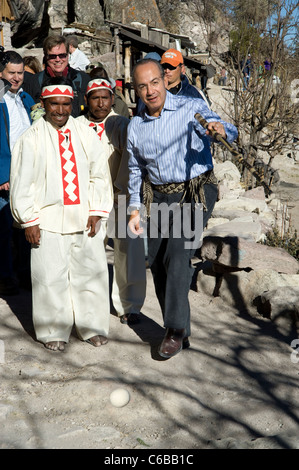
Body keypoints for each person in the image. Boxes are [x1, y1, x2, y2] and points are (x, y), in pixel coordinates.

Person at [127, 59, 238, 359]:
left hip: (195, 190)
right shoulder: (136, 126)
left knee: (178, 252)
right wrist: (134, 210)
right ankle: (181, 329)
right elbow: (136, 169)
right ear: (135, 90)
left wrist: (220, 129)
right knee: (158, 258)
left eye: (154, 82)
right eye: (142, 86)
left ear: (164, 80)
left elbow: (223, 126)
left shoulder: (189, 108)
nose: (150, 91)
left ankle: (174, 330)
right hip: (160, 196)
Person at [10, 77, 113, 352]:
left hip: (85, 218)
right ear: (43, 104)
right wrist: (29, 219)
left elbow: (99, 173)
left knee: (90, 274)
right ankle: (53, 330)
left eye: (66, 104)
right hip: (47, 221)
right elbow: (22, 183)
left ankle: (91, 326)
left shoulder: (85, 132)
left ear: (73, 103)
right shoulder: (30, 138)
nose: (60, 110)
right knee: (49, 277)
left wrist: (96, 210)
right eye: (54, 104)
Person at [77, 78, 146, 325]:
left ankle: (130, 305)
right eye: (95, 97)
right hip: (89, 202)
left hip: (121, 198)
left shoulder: (121, 124)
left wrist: (126, 193)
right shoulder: (76, 126)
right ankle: (89, 305)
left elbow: (134, 159)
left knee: (129, 253)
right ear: (86, 100)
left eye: (105, 97)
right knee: (90, 253)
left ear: (112, 98)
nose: (101, 103)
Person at [0, 49, 35, 295]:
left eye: (20, 72)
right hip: (6, 174)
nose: (16, 77)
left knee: (25, 225)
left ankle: (24, 274)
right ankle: (5, 277)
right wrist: (2, 174)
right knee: (2, 229)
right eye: (11, 72)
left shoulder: (26, 99)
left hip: (28, 173)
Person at [22, 35, 90, 117]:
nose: (58, 59)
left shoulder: (83, 79)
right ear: (46, 57)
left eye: (62, 55)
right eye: (52, 56)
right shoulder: (34, 82)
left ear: (68, 55)